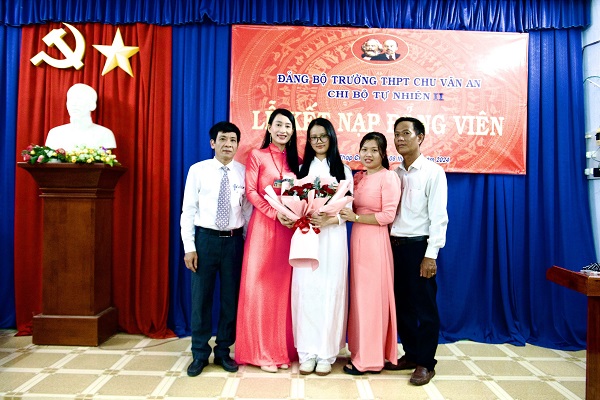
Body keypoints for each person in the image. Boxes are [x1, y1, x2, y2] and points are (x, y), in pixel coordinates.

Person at [180, 121, 252, 377]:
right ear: (213, 143)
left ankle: (223, 351)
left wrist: (247, 244)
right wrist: (189, 247)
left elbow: (247, 211)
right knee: (201, 300)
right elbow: (188, 210)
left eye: (233, 140)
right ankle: (199, 353)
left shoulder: (244, 173)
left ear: (238, 144)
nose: (228, 145)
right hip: (205, 241)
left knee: (230, 300)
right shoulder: (198, 170)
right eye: (223, 139)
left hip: (233, 242)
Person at [235, 108, 301, 372]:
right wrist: (274, 213)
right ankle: (261, 353)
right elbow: (251, 192)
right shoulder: (257, 156)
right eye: (279, 125)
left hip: (289, 231)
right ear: (270, 128)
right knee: (260, 288)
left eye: (288, 126)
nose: (283, 130)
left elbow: (302, 193)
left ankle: (281, 350)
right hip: (263, 228)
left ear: (293, 131)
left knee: (283, 292)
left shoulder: (297, 161)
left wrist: (296, 213)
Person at [384, 117, 448, 386]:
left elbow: (439, 217)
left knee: (425, 308)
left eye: (406, 133)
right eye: (396, 134)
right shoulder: (394, 174)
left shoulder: (433, 172)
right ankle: (411, 355)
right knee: (403, 306)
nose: (400, 138)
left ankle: (426, 363)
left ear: (420, 137)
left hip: (419, 247)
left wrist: (431, 255)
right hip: (394, 247)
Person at [291, 118, 353, 376]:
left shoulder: (343, 170)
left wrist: (331, 219)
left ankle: (327, 353)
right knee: (306, 291)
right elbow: (292, 202)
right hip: (307, 237)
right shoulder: (301, 170)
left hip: (333, 239)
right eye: (313, 137)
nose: (318, 141)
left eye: (323, 136)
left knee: (330, 291)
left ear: (331, 137)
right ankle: (307, 353)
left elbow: (348, 209)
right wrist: (299, 214)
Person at [339, 132, 401, 375]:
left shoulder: (389, 177)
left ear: (383, 153)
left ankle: (371, 360)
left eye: (374, 150)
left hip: (375, 242)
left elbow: (388, 215)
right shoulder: (359, 178)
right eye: (364, 149)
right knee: (360, 299)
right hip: (357, 241)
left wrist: (355, 218)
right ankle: (360, 352)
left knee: (372, 301)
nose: (368, 154)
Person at [45, 83, 117, 151]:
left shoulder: (105, 134)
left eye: (79, 99)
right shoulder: (55, 134)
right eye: (71, 100)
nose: (74, 104)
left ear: (92, 105)